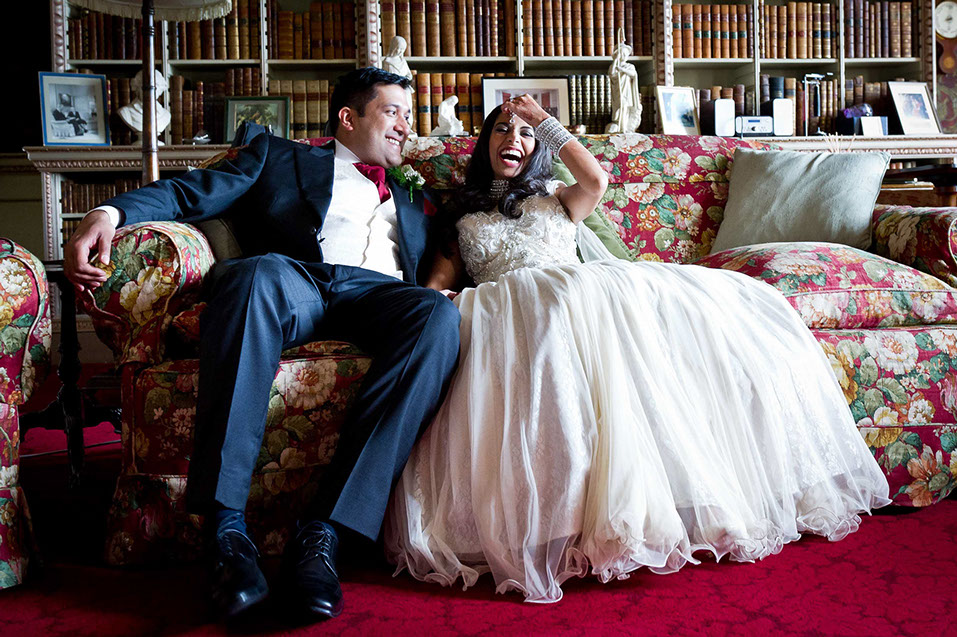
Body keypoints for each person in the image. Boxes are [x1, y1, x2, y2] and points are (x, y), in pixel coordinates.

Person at [384, 95, 891, 603]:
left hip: (581, 300)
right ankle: (552, 521)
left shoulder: (559, 196)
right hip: (512, 310)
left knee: (683, 301)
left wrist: (544, 121)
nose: (512, 140)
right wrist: (443, 298)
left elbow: (597, 181)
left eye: (524, 134)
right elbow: (433, 287)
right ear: (485, 143)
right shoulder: (462, 216)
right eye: (501, 130)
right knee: (549, 306)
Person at [64, 67, 460, 621]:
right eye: (391, 111)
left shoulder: (417, 198)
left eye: (407, 114)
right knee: (254, 275)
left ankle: (323, 535)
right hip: (294, 281)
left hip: (377, 297)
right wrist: (106, 213)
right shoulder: (277, 154)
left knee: (437, 317)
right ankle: (226, 532)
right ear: (348, 117)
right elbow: (191, 191)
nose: (404, 126)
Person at [606, 30, 642, 133]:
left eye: (625, 55)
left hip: (627, 92)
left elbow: (633, 74)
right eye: (622, 54)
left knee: (626, 108)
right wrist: (615, 61)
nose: (624, 57)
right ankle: (618, 125)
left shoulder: (629, 66)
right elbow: (611, 74)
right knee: (619, 108)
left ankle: (624, 128)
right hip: (618, 91)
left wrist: (622, 69)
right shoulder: (614, 66)